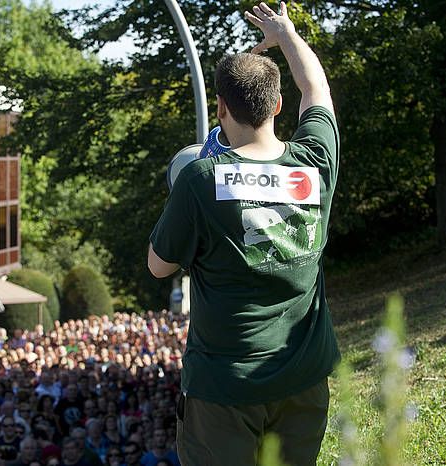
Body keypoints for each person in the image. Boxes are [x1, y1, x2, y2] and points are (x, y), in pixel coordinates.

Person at [147, 2, 340, 465]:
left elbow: (158, 265)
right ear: (276, 104)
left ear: (221, 107)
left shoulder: (199, 179)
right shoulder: (316, 160)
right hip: (304, 380)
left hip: (224, 389)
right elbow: (316, 87)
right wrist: (286, 34)